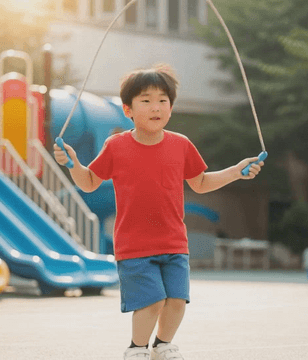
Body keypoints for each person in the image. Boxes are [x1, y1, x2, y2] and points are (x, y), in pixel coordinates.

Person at [54, 64, 264, 360]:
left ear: (171, 107)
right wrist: (73, 164)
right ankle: (136, 349)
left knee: (177, 300)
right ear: (127, 109)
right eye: (146, 100)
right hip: (134, 244)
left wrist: (235, 172)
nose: (156, 107)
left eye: (163, 100)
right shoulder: (116, 145)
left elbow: (201, 183)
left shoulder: (181, 145)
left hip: (174, 241)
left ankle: (162, 345)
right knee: (151, 302)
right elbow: (88, 182)